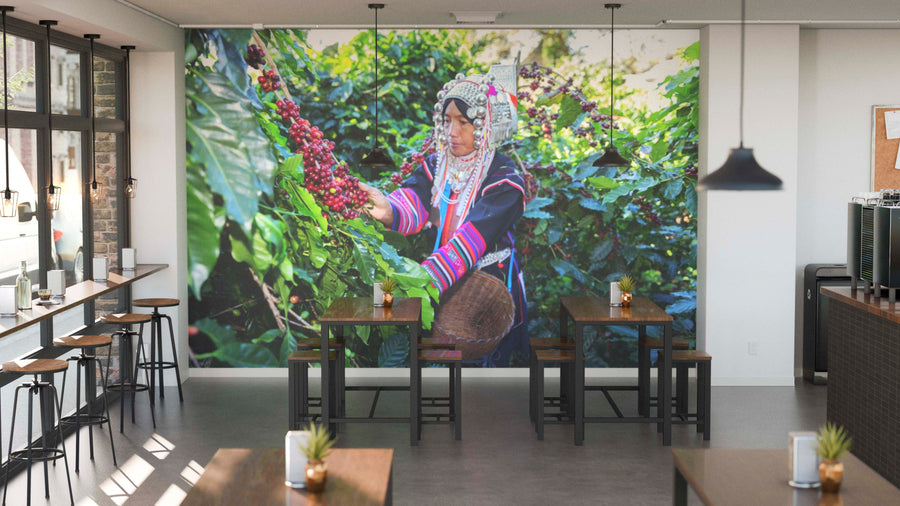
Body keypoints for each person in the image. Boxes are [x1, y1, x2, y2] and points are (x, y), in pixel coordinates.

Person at [361, 70, 528, 366]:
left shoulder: (506, 181)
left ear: (485, 124)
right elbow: (415, 200)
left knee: (486, 372)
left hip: (487, 291)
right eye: (447, 120)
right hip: (442, 281)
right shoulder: (438, 165)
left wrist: (417, 284)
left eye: (463, 122)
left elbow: (471, 239)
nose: (452, 131)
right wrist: (387, 210)